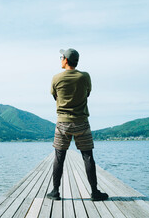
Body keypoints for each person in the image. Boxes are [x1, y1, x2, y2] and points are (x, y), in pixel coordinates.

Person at [46, 48, 109, 201]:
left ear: (66, 60)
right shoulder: (85, 76)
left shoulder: (56, 78)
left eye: (61, 57)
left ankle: (55, 192)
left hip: (63, 123)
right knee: (88, 156)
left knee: (59, 157)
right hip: (82, 122)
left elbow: (55, 97)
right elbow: (87, 93)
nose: (60, 59)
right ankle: (94, 192)